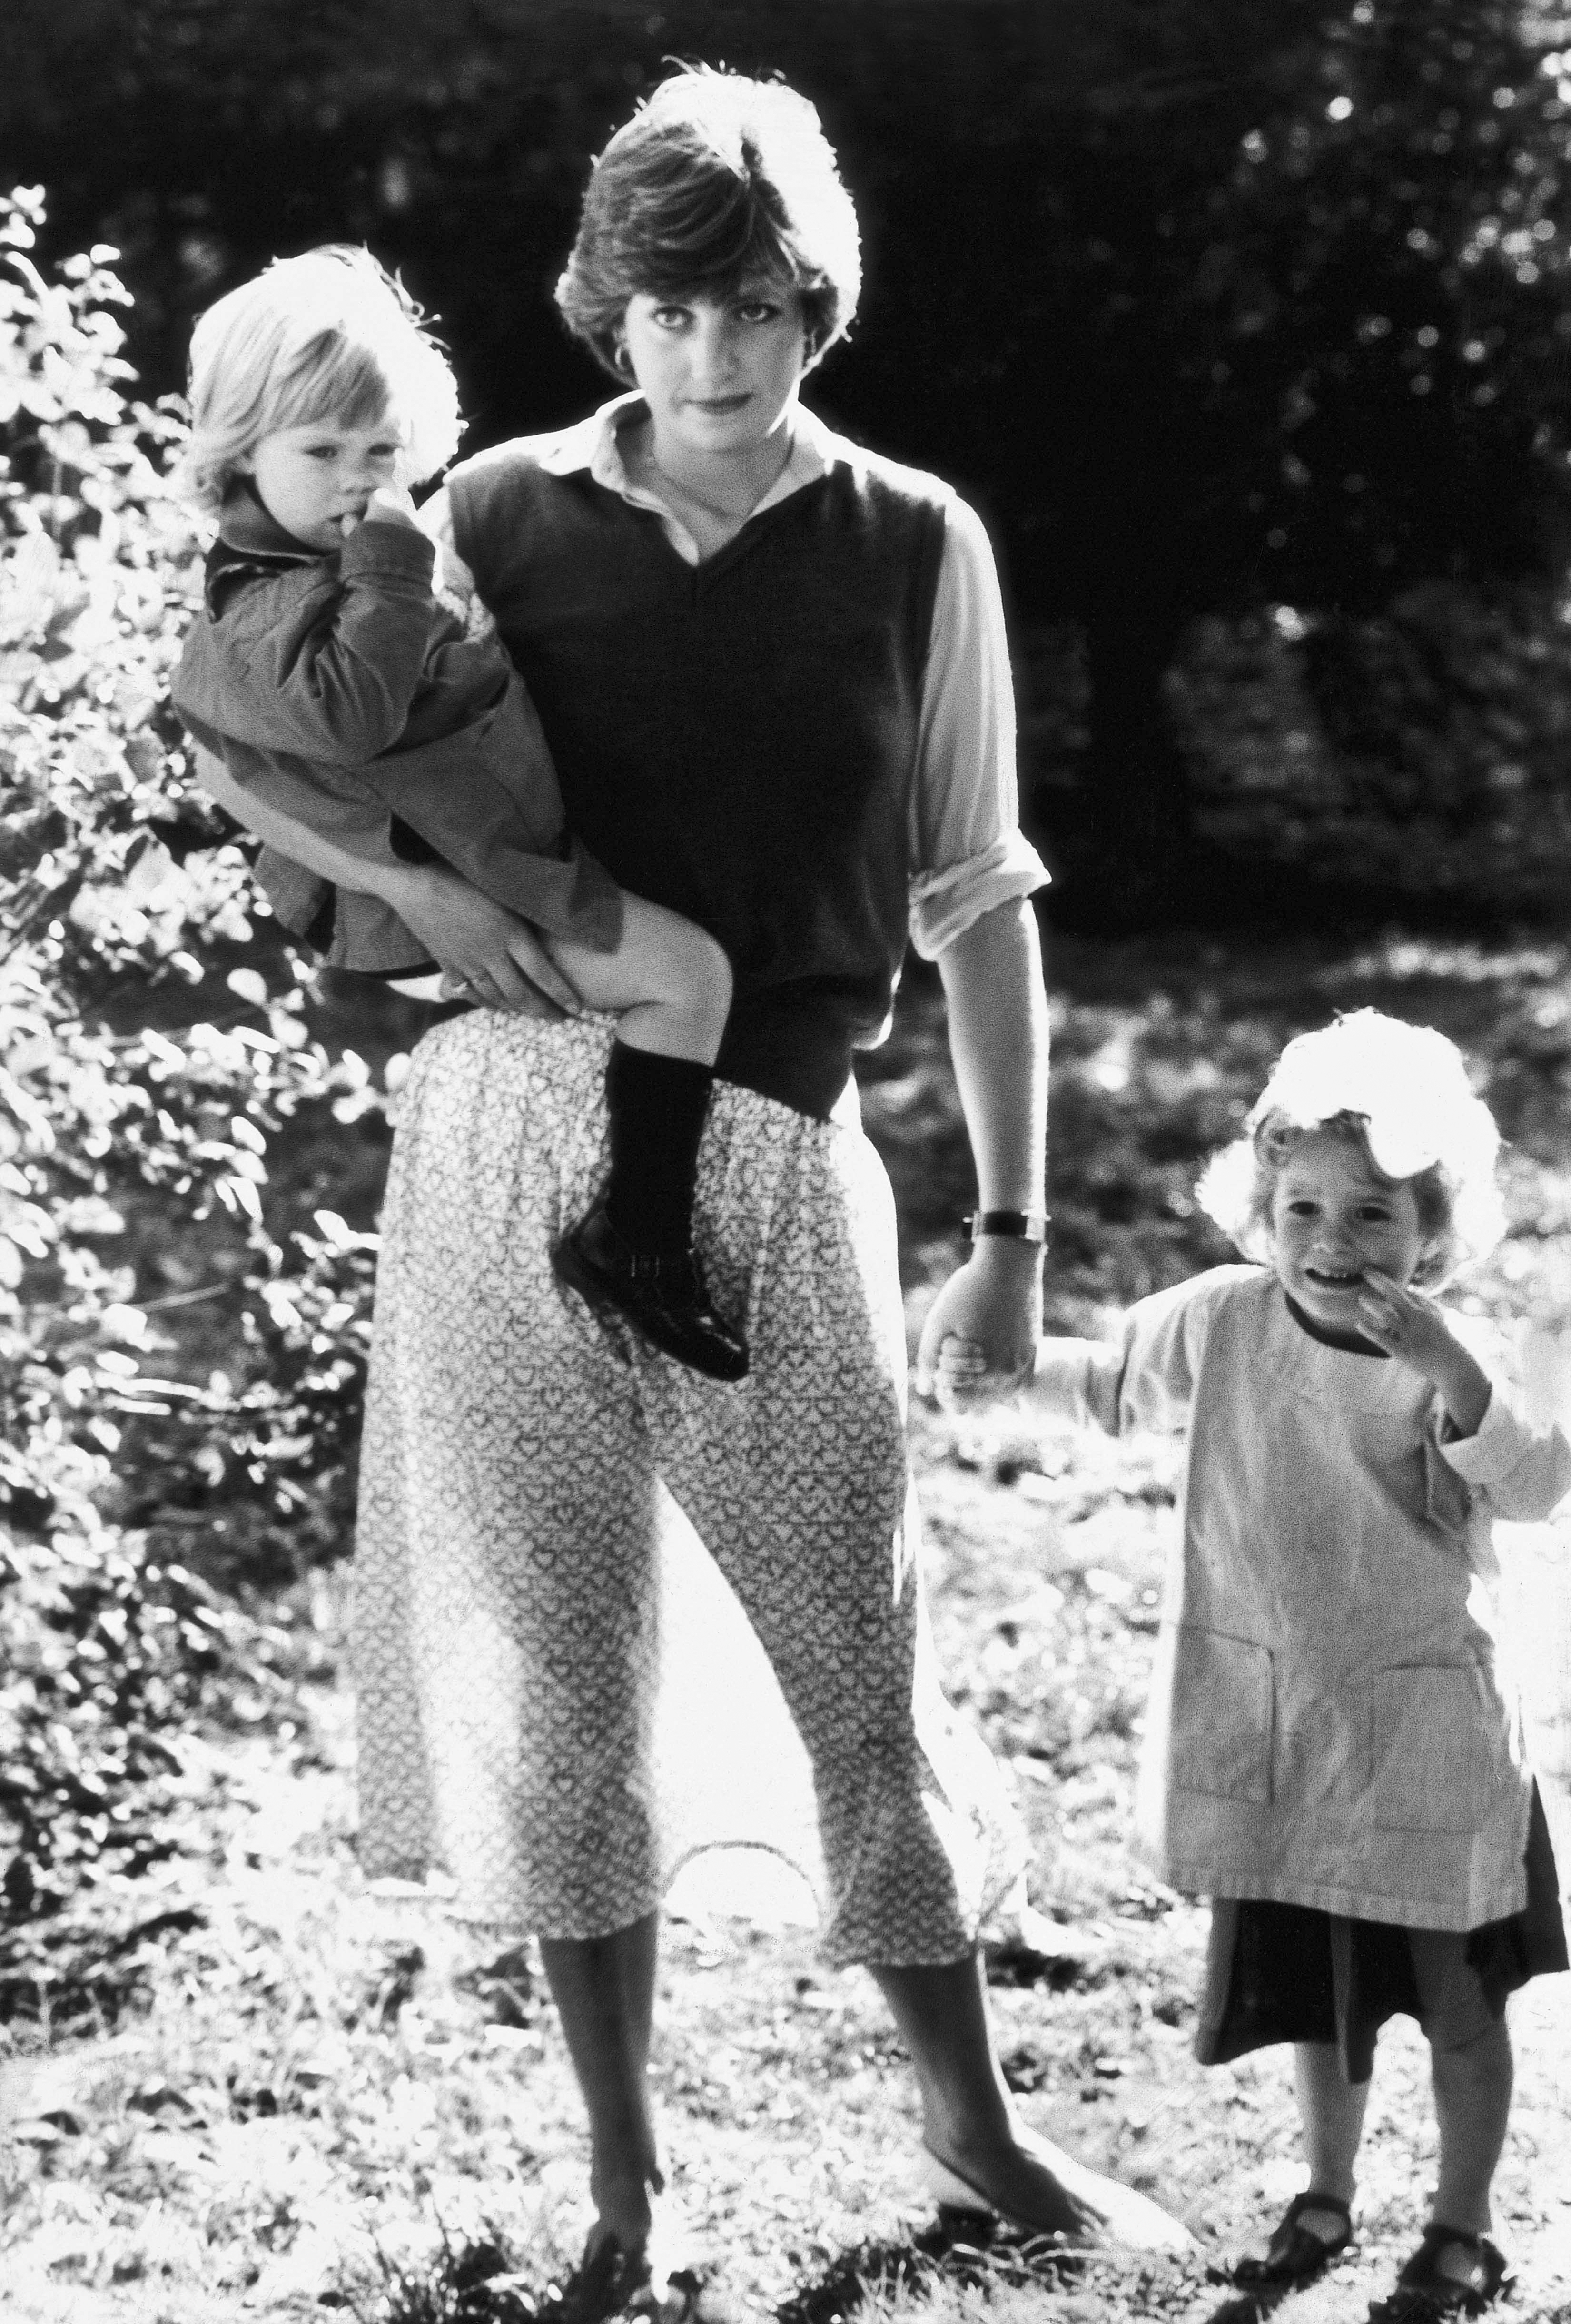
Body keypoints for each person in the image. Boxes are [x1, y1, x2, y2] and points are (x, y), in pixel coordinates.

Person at [188, 67, 1193, 2309]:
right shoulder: (483, 511)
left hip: (770, 1141)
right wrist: (397, 896)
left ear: (811, 303)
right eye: (666, 307)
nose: (711, 355)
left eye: (751, 306)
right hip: (497, 1138)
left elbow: (980, 893)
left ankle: (973, 2124)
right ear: (604, 306)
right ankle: (624, 2185)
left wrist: (1014, 1242)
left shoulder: (913, 536)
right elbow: (291, 758)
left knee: (860, 1640)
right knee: (555, 1672)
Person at [965, 1011, 1570, 2322]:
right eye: (1299, 1207)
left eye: (1369, 1216)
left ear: (1432, 1231)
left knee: (1459, 2005)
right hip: (1284, 1730)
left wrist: (1453, 1368)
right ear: (1258, 1207)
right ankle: (1325, 2188)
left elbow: (1531, 1485)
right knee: (1323, 2001)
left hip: (1424, 1737)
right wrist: (994, 1360)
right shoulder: (1228, 1316)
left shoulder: (1437, 1353)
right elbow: (1108, 1378)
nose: (1330, 1245)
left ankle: (1460, 2221)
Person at [171, 245, 746, 1380]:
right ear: (238, 452)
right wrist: (394, 557)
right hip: (464, 890)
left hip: (490, 853)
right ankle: (635, 1245)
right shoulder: (276, 606)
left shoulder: (318, 567)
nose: (360, 481)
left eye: (382, 452)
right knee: (692, 979)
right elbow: (351, 714)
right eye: (324, 452)